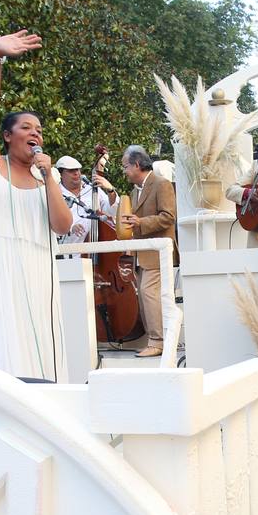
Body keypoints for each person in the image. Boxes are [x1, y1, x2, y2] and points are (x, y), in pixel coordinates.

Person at [0, 29, 73, 380]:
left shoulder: (47, 177)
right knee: (2, 351)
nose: (36, 134)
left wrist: (50, 180)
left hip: (37, 274)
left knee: (40, 350)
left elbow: (63, 226)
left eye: (39, 130)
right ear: (8, 135)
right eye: (26, 127)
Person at [109, 145, 177, 358]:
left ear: (137, 165)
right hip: (142, 253)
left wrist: (140, 222)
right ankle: (154, 340)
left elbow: (168, 217)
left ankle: (158, 341)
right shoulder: (133, 192)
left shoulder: (162, 184)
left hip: (159, 251)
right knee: (144, 297)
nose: (124, 170)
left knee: (149, 294)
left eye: (126, 166)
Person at [52, 155, 95, 245]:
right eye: (71, 171)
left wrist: (111, 191)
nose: (76, 173)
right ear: (61, 174)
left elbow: (111, 210)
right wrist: (71, 227)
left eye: (77, 169)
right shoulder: (54, 193)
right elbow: (51, 223)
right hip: (67, 251)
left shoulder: (91, 189)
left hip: (94, 248)